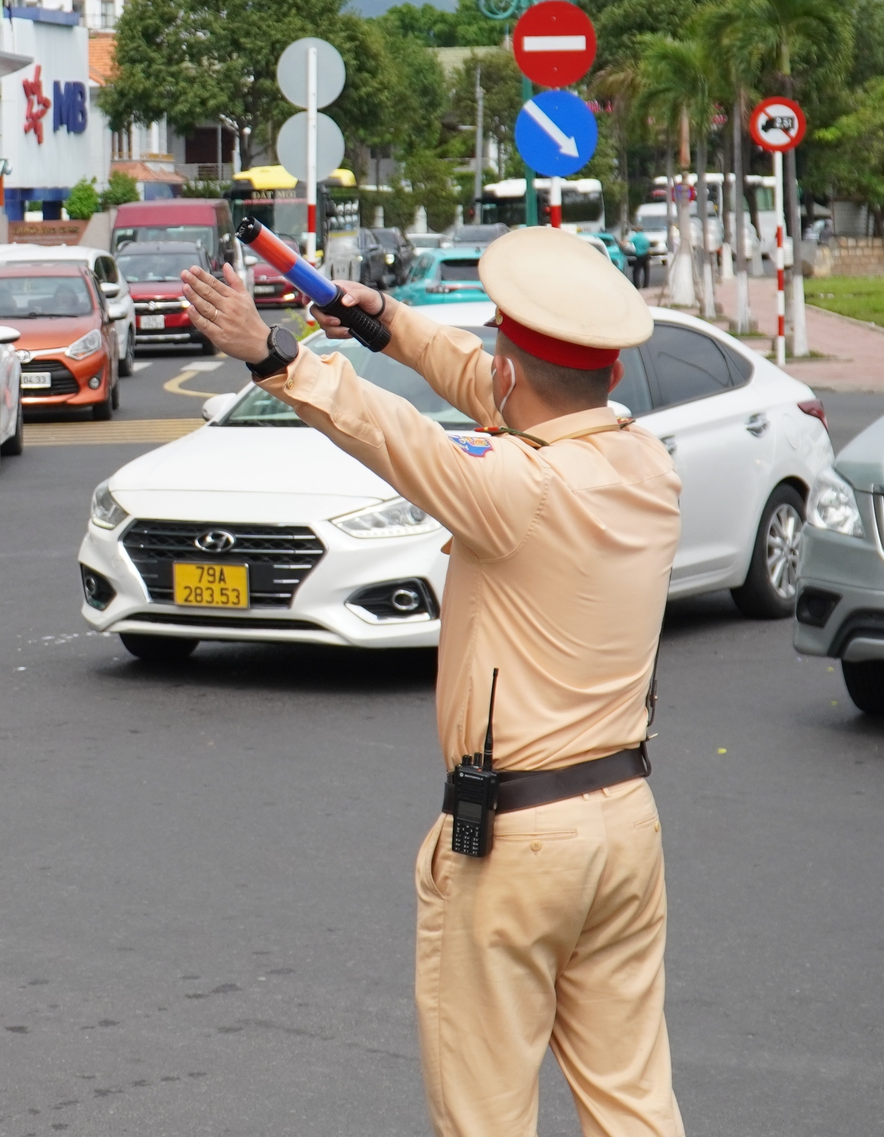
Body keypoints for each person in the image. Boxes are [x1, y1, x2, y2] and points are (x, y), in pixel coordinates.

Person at [181, 227, 684, 1137]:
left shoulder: (515, 486)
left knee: (484, 1114)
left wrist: (274, 353)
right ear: (611, 377)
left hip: (520, 844)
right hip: (624, 825)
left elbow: (398, 435)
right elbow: (494, 387)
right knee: (632, 1100)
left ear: (507, 370)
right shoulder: (646, 465)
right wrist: (384, 323)